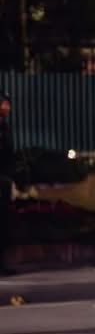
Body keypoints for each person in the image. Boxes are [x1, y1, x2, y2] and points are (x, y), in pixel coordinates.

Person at [0, 93, 15, 275]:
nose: (8, 108)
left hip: (4, 178)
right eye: (4, 104)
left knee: (4, 222)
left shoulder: (5, 126)